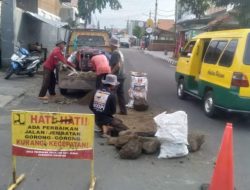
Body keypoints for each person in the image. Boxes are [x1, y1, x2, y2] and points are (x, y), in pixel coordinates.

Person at [109, 36, 128, 115]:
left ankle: (111, 111)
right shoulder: (119, 52)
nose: (109, 46)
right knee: (120, 94)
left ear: (113, 45)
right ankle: (123, 111)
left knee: (112, 94)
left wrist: (110, 73)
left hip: (117, 77)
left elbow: (118, 65)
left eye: (110, 44)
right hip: (122, 76)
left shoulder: (115, 53)